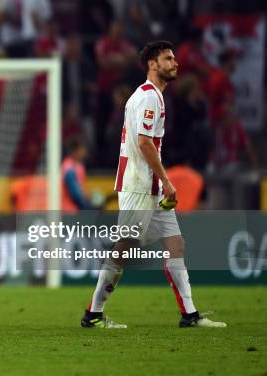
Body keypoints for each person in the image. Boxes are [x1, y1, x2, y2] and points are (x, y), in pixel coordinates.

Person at [80, 41, 226, 329]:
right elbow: (145, 144)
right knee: (124, 248)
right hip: (138, 185)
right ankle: (93, 314)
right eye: (168, 59)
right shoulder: (148, 97)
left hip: (150, 187)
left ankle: (189, 315)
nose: (175, 63)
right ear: (152, 64)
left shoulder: (151, 96)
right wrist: (167, 180)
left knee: (175, 243)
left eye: (174, 58)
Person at [61, 137, 90, 212]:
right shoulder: (68, 167)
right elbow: (74, 192)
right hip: (67, 208)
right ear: (74, 151)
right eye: (82, 149)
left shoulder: (80, 166)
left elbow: (80, 187)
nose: (84, 152)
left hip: (76, 207)